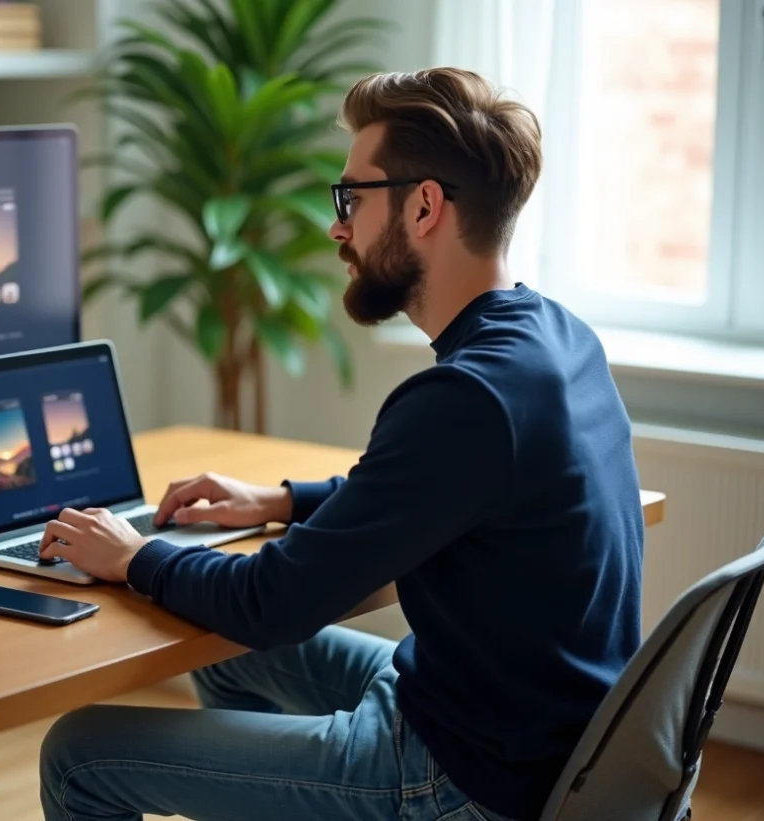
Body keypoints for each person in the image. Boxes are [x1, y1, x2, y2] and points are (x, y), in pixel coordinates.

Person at [35, 67, 644, 821]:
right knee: (229, 663)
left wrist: (135, 556)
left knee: (78, 755)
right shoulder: (555, 336)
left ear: (424, 207)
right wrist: (281, 500)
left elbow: (272, 602)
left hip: (464, 776)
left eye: (351, 197)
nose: (337, 226)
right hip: (522, 729)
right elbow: (436, 491)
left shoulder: (465, 397)